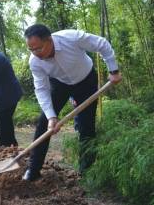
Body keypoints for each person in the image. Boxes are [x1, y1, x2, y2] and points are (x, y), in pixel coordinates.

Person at [22, 24, 122, 181]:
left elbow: (102, 44)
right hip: (60, 84)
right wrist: (51, 117)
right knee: (43, 124)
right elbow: (41, 89)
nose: (36, 53)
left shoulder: (71, 38)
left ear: (49, 40)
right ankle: (33, 169)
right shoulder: (35, 61)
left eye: (39, 48)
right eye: (31, 50)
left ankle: (85, 172)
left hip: (86, 81)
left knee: (86, 126)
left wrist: (113, 71)